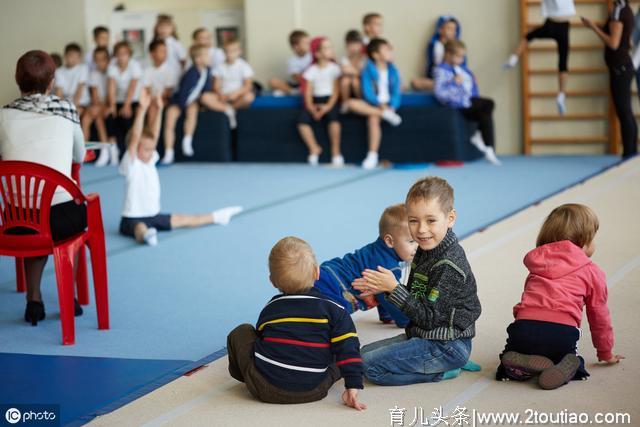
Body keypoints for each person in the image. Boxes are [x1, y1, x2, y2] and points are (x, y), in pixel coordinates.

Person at [353, 177, 482, 386]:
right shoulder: (424, 250)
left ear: (450, 218)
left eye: (431, 220)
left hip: (446, 344)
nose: (421, 230)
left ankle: (443, 370)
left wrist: (393, 288)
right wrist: (384, 288)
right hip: (424, 336)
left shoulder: (448, 265)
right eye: (413, 220)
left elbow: (429, 318)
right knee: (362, 354)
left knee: (369, 366)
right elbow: (415, 301)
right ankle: (442, 363)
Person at [226, 236, 366, 410]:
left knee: (242, 331)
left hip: (262, 387)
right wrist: (353, 385)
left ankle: (246, 376)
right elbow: (348, 347)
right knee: (344, 347)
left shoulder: (271, 307)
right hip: (314, 389)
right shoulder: (335, 309)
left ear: (272, 281)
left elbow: (261, 336)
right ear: (317, 272)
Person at [0, 50, 87, 325]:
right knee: (65, 212)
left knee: (31, 211)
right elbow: (79, 156)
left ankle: (33, 299)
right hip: (62, 217)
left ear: (18, 81)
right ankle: (69, 297)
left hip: (17, 220)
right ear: (52, 80)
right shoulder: (66, 110)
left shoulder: (3, 115)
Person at [495, 204, 624, 390]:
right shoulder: (592, 271)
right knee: (570, 357)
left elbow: (526, 301)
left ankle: (516, 363)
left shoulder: (537, 266)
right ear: (584, 241)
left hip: (523, 329)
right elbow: (599, 315)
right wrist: (605, 352)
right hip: (562, 332)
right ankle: (569, 366)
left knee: (511, 352)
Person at [119, 90, 242, 246]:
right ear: (136, 149)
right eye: (146, 149)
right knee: (140, 228)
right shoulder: (132, 164)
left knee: (184, 219)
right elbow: (135, 138)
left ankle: (217, 216)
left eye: (152, 149)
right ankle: (146, 235)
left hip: (153, 215)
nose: (151, 153)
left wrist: (160, 109)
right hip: (132, 218)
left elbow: (155, 136)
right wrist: (142, 110)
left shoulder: (149, 161)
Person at [314, 204, 416, 327]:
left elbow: (383, 294)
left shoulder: (377, 250)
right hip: (336, 286)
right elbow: (390, 295)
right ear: (389, 241)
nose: (418, 247)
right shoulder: (389, 268)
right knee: (325, 320)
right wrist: (405, 320)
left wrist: (387, 316)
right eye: (411, 241)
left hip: (328, 271)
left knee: (297, 297)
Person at [582, 0, 637, 159]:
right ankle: (631, 153)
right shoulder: (625, 9)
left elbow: (613, 43)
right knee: (625, 112)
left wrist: (593, 27)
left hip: (620, 69)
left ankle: (629, 154)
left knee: (624, 112)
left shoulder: (618, 11)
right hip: (623, 67)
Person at [434, 40, 501, 165]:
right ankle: (485, 143)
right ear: (448, 54)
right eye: (458, 56)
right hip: (458, 104)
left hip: (469, 101)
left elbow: (471, 89)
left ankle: (488, 146)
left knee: (486, 111)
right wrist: (453, 82)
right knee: (488, 105)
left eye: (463, 56)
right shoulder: (441, 71)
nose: (461, 59)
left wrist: (472, 81)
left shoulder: (463, 69)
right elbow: (440, 94)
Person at [504, 0, 576, 115]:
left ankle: (514, 58)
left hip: (550, 24)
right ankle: (561, 95)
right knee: (563, 63)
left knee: (528, 36)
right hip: (563, 27)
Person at [344, 38, 402, 170]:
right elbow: (367, 91)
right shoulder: (368, 70)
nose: (390, 52)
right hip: (374, 104)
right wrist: (379, 105)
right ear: (376, 55)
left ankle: (372, 154)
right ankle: (385, 115)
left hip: (389, 105)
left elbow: (396, 92)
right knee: (351, 103)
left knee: (372, 119)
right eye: (386, 50)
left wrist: (392, 106)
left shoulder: (393, 70)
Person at [162, 44, 213, 164]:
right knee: (169, 121)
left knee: (193, 112)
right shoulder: (191, 73)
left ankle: (187, 140)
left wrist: (201, 103)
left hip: (192, 101)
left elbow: (206, 89)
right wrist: (181, 106)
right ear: (197, 59)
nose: (209, 57)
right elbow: (183, 92)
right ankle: (169, 152)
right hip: (179, 101)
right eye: (206, 55)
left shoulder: (207, 71)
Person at [297, 37, 343, 166]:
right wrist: (311, 108)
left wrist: (327, 107)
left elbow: (336, 91)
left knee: (334, 121)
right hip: (315, 100)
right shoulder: (311, 70)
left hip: (330, 100)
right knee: (302, 121)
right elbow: (308, 91)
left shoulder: (335, 69)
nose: (330, 50)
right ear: (317, 54)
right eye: (326, 48)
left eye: (330, 47)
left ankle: (336, 151)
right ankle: (314, 148)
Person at [200, 37, 255, 130]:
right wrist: (220, 94)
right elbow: (216, 86)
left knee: (249, 97)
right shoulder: (219, 66)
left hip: (237, 96)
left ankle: (230, 108)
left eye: (233, 51)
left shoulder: (243, 65)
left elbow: (248, 85)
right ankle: (227, 110)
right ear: (224, 52)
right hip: (222, 96)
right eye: (227, 51)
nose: (230, 54)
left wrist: (236, 93)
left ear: (239, 51)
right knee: (204, 97)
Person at [106, 41, 142, 165]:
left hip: (133, 100)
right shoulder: (112, 66)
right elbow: (111, 87)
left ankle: (131, 151)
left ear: (129, 54)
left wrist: (127, 105)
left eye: (125, 53)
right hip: (117, 100)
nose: (122, 56)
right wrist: (112, 106)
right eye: (119, 53)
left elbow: (132, 87)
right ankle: (113, 151)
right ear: (115, 55)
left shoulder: (134, 65)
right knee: (110, 117)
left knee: (127, 117)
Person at [412, 16, 462, 91]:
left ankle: (448, 87)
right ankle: (447, 87)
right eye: (449, 28)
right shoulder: (436, 45)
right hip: (440, 78)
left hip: (455, 78)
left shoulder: (458, 47)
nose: (453, 32)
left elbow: (462, 67)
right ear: (440, 30)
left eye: (454, 29)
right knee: (415, 82)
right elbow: (436, 66)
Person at [86, 47, 116, 167]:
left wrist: (106, 106)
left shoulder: (112, 71)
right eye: (97, 60)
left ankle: (109, 151)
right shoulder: (93, 74)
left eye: (102, 59)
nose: (100, 63)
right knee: (92, 118)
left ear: (108, 60)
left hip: (112, 104)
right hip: (100, 105)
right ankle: (102, 151)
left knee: (101, 116)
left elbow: (112, 94)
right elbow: (94, 96)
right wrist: (100, 107)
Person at [141, 39, 179, 130]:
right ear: (152, 54)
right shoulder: (147, 70)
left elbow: (168, 92)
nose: (165, 53)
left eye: (165, 51)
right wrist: (151, 98)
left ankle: (150, 134)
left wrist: (156, 99)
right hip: (152, 99)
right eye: (161, 51)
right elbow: (147, 89)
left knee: (154, 107)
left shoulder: (170, 70)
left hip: (167, 99)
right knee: (144, 106)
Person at [54, 43, 90, 136]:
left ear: (80, 57)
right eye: (71, 56)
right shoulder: (59, 71)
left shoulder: (83, 68)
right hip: (67, 104)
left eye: (76, 57)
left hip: (82, 102)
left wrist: (74, 107)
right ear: (65, 56)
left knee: (78, 117)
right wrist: (61, 108)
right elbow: (59, 93)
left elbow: (80, 90)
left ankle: (83, 148)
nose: (73, 59)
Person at [269, 30, 312, 95]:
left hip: (311, 83)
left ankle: (291, 91)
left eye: (309, 43)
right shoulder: (292, 60)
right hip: (298, 84)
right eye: (306, 43)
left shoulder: (312, 55)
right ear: (296, 46)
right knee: (272, 81)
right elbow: (296, 77)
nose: (309, 45)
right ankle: (294, 92)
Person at [339, 30, 366, 106]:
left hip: (361, 84)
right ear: (346, 45)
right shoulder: (344, 58)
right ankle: (345, 103)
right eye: (351, 45)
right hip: (348, 86)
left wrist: (355, 72)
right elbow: (344, 71)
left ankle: (361, 102)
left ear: (361, 45)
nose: (354, 48)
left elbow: (363, 73)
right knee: (345, 80)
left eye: (357, 44)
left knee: (355, 81)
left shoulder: (364, 58)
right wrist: (357, 71)